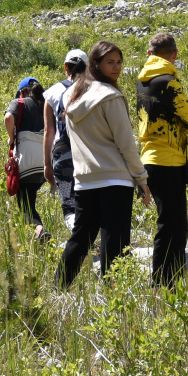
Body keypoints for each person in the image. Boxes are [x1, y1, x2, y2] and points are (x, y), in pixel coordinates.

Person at [58, 41, 152, 286]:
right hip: (115, 179)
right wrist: (141, 179)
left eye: (119, 62)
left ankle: (59, 286)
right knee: (115, 240)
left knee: (80, 238)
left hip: (84, 180)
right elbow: (126, 144)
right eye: (110, 62)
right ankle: (114, 294)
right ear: (95, 63)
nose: (117, 67)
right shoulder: (110, 96)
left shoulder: (71, 95)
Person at [137, 32, 188, 286]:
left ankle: (166, 279)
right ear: (174, 55)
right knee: (173, 226)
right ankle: (164, 280)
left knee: (170, 222)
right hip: (169, 159)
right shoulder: (168, 82)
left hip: (150, 157)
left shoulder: (142, 81)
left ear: (149, 54)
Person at [41, 49, 90, 231]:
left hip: (63, 153)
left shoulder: (52, 93)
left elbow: (49, 131)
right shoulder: (94, 89)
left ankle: (80, 244)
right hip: (88, 153)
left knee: (69, 205)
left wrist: (47, 164)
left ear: (65, 67)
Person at [3, 77, 49, 238]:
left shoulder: (19, 102)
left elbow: (9, 117)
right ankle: (40, 230)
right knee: (30, 198)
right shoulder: (46, 104)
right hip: (45, 158)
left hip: (27, 158)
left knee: (25, 205)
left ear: (22, 92)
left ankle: (39, 230)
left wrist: (11, 137)